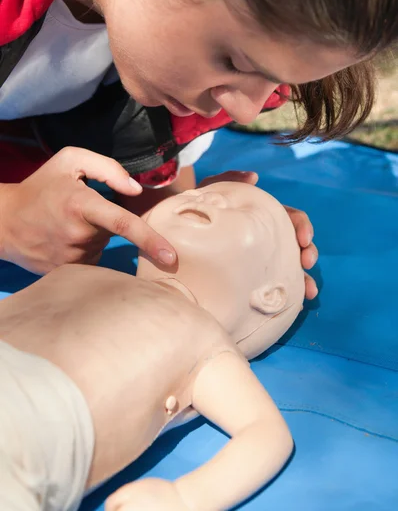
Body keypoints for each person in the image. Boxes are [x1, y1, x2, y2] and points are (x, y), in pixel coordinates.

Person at [1, 0, 398, 294]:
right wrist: (9, 222)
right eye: (235, 63)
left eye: (280, 80)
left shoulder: (175, 56)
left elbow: (155, 186)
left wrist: (209, 230)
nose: (245, 110)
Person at [0, 178, 304, 511]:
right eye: (197, 191)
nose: (207, 196)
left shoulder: (204, 341)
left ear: (270, 296)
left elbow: (265, 432)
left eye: (246, 211)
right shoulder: (77, 273)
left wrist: (187, 497)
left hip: (31, 428)